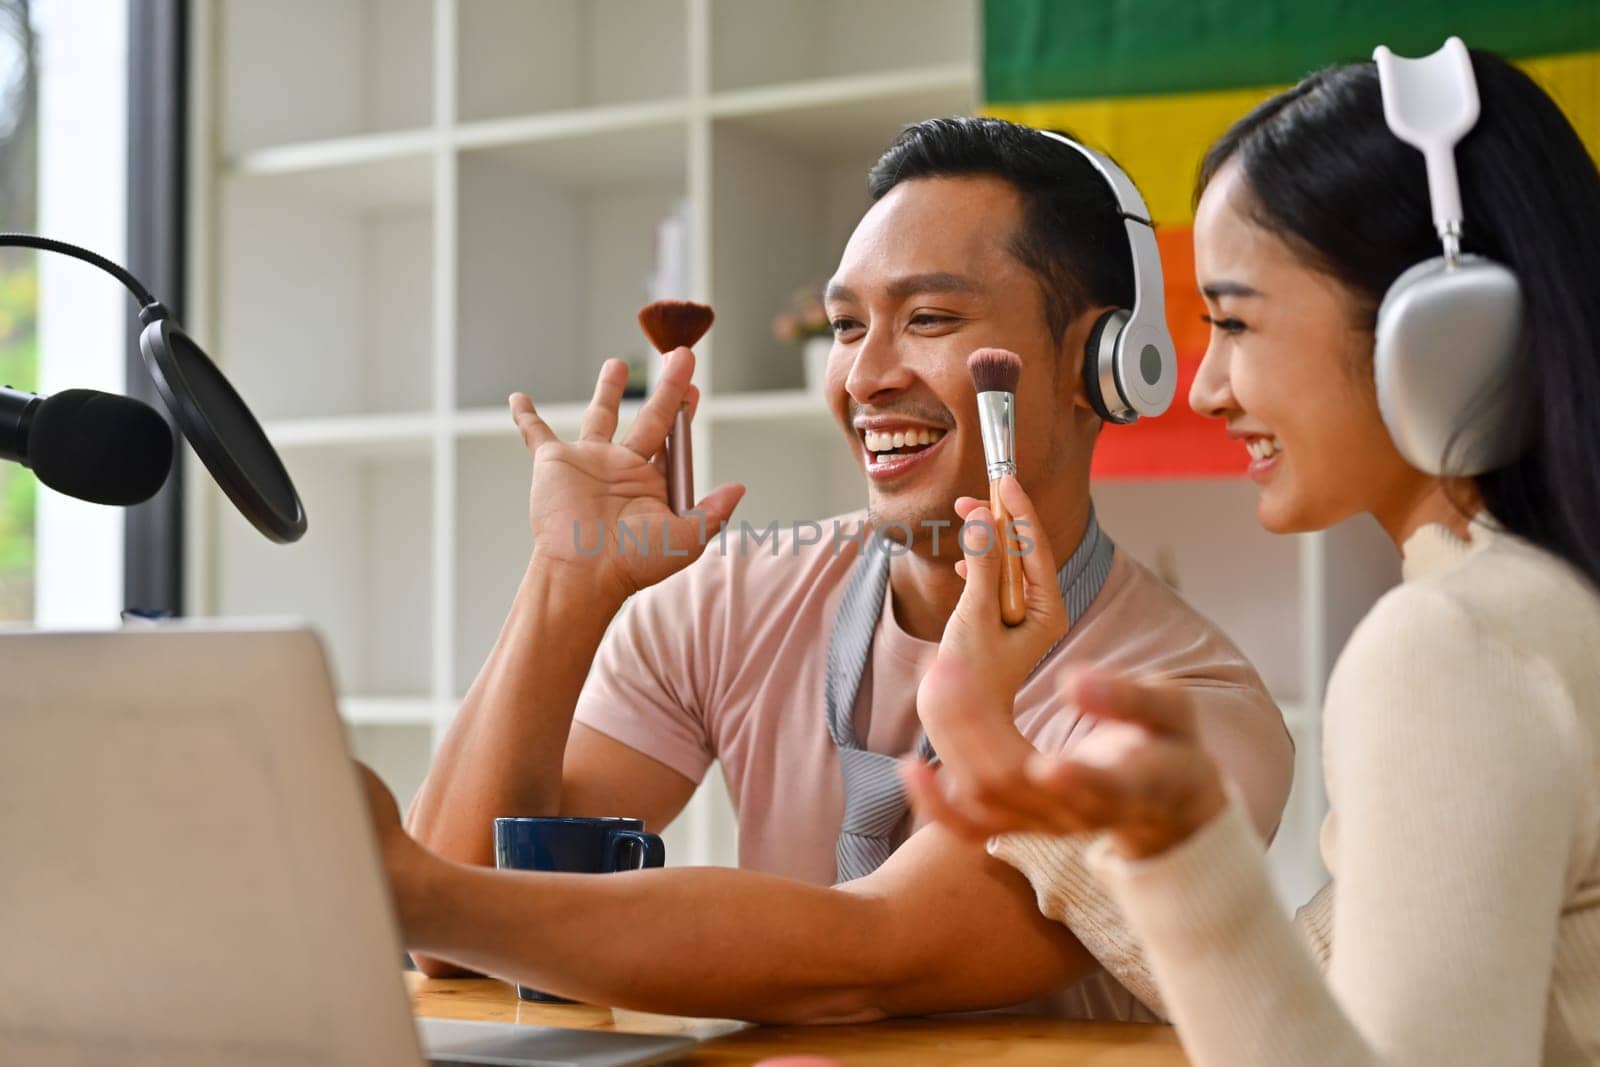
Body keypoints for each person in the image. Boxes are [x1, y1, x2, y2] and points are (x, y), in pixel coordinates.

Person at [361, 116, 1293, 1024]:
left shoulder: (1187, 712)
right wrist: (563, 589)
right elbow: (458, 936)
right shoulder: (732, 598)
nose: (865, 375)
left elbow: (869, 953)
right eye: (848, 327)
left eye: (928, 317)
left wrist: (408, 887)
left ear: (1105, 365)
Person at [906, 50, 1600, 1063]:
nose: (1204, 387)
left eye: (1233, 319)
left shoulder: (1453, 643)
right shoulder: (1532, 608)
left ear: (1440, 328)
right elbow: (1319, 997)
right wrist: (1020, 761)